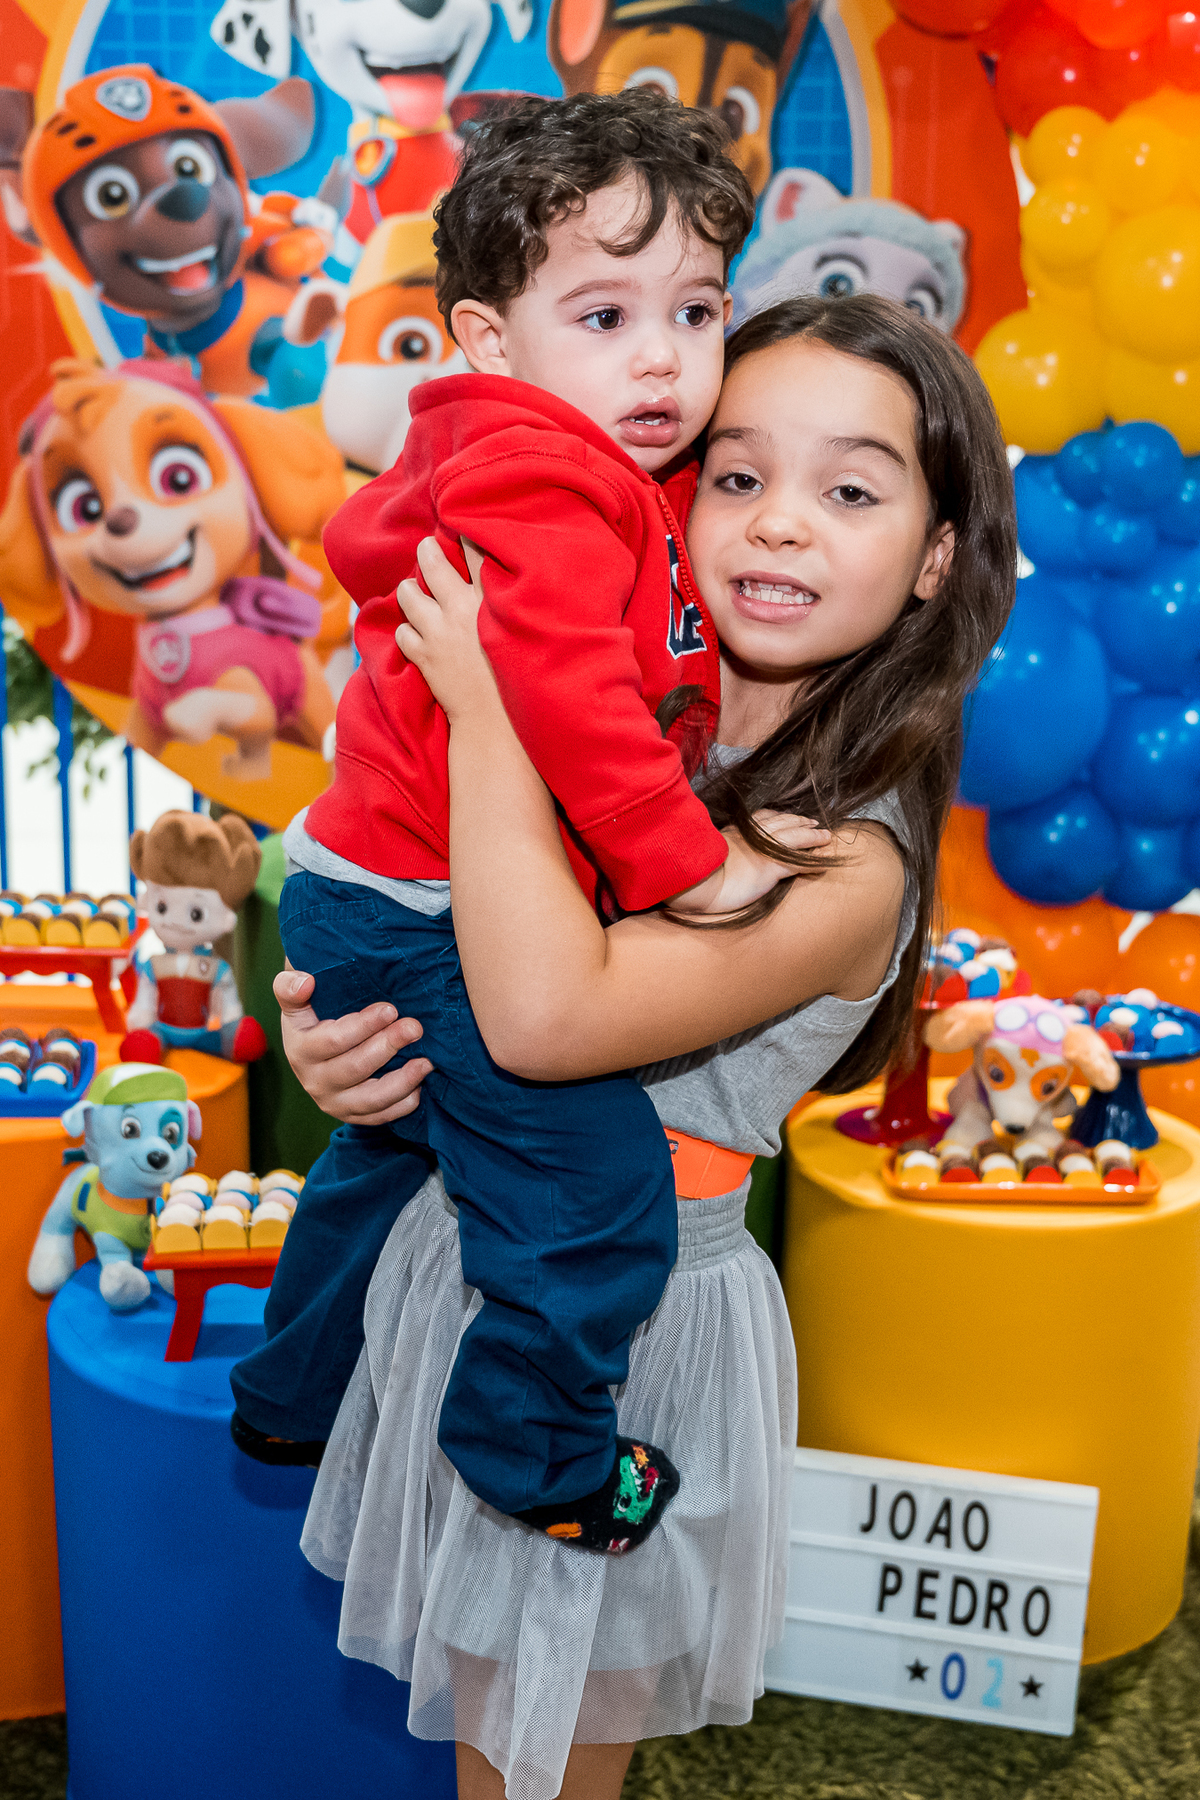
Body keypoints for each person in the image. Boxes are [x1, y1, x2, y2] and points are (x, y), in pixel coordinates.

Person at [277, 293, 1018, 1800]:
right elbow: (438, 937)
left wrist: (497, 703)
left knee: (543, 1765)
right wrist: (348, 1050)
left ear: (937, 557)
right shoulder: (642, 717)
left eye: (852, 490)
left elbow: (548, 1020)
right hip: (468, 1253)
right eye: (739, 475)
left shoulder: (847, 856)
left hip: (623, 1327)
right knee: (486, 1737)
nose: (781, 522)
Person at [230, 89, 805, 1555]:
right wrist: (681, 866)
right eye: (604, 317)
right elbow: (563, 696)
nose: (663, 356)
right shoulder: (546, 475)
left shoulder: (597, 468)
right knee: (596, 1194)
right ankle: (535, 1452)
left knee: (389, 1153)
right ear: (490, 341)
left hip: (379, 884)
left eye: (696, 311)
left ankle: (291, 1390)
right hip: (427, 905)